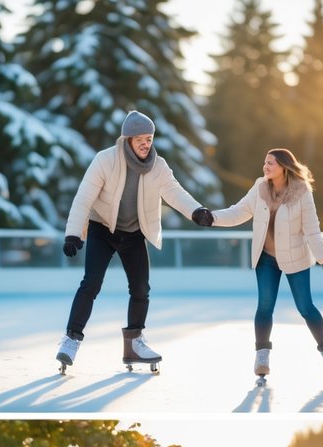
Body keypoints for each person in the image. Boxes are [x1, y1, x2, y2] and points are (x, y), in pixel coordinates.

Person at [57, 110, 213, 373]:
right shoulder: (105, 160)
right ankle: (72, 338)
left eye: (149, 138)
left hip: (133, 232)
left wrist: (196, 211)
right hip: (102, 228)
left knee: (141, 288)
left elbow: (175, 191)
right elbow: (83, 197)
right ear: (127, 139)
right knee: (91, 282)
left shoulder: (158, 165)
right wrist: (73, 233)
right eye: (140, 138)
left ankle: (134, 343)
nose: (145, 143)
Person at [196, 148, 323, 383]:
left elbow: (312, 229)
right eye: (264, 162)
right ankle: (262, 358)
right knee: (264, 306)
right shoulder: (260, 187)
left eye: (271, 163)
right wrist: (212, 218)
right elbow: (239, 212)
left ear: (284, 166)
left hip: (295, 257)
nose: (265, 167)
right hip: (266, 257)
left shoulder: (302, 191)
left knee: (306, 307)